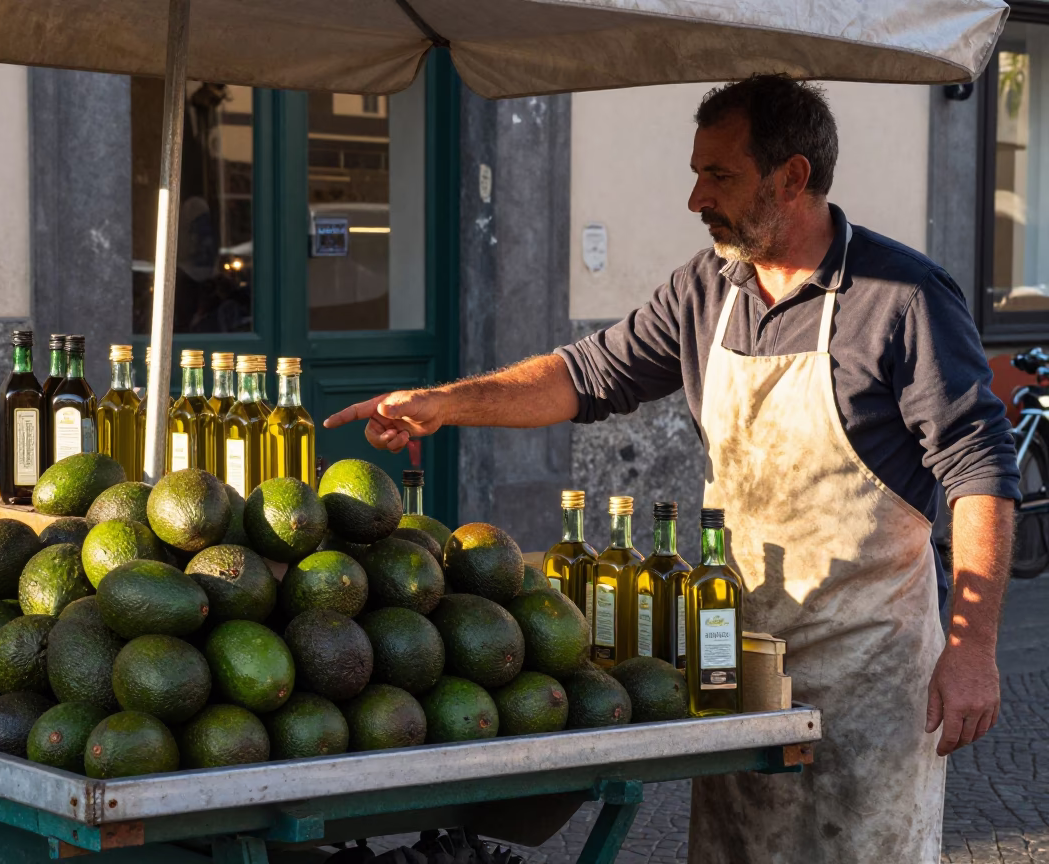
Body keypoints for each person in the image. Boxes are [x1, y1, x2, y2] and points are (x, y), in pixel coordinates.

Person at [324, 75, 1019, 863]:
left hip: (870, 677)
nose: (696, 198)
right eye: (697, 172)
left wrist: (971, 648)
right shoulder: (706, 289)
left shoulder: (902, 299)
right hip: (740, 674)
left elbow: (981, 471)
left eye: (718, 175)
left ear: (792, 177)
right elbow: (583, 374)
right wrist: (445, 403)